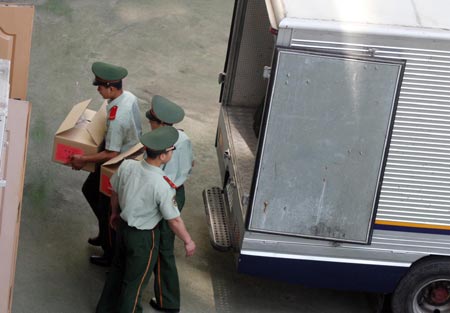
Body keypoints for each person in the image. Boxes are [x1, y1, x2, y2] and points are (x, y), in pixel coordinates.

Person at [95, 126, 196, 313]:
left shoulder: (127, 165)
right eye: (171, 150)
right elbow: (174, 220)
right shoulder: (162, 184)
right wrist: (188, 241)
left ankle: (104, 309)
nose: (172, 152)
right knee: (135, 283)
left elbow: (114, 191)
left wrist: (115, 213)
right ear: (163, 156)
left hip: (123, 229)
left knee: (117, 272)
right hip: (143, 238)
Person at [69, 61, 142, 267]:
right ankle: (104, 234)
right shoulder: (128, 97)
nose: (98, 90)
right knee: (90, 190)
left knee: (107, 207)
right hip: (127, 152)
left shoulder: (118, 117)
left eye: (100, 87)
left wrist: (82, 159)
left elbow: (111, 153)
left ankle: (110, 252)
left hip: (119, 164)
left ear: (111, 87)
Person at [145, 95, 194, 313]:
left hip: (167, 194)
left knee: (163, 247)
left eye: (152, 122)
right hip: (177, 191)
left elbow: (157, 174)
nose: (150, 125)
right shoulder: (182, 138)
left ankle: (169, 301)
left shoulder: (168, 143)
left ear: (162, 124)